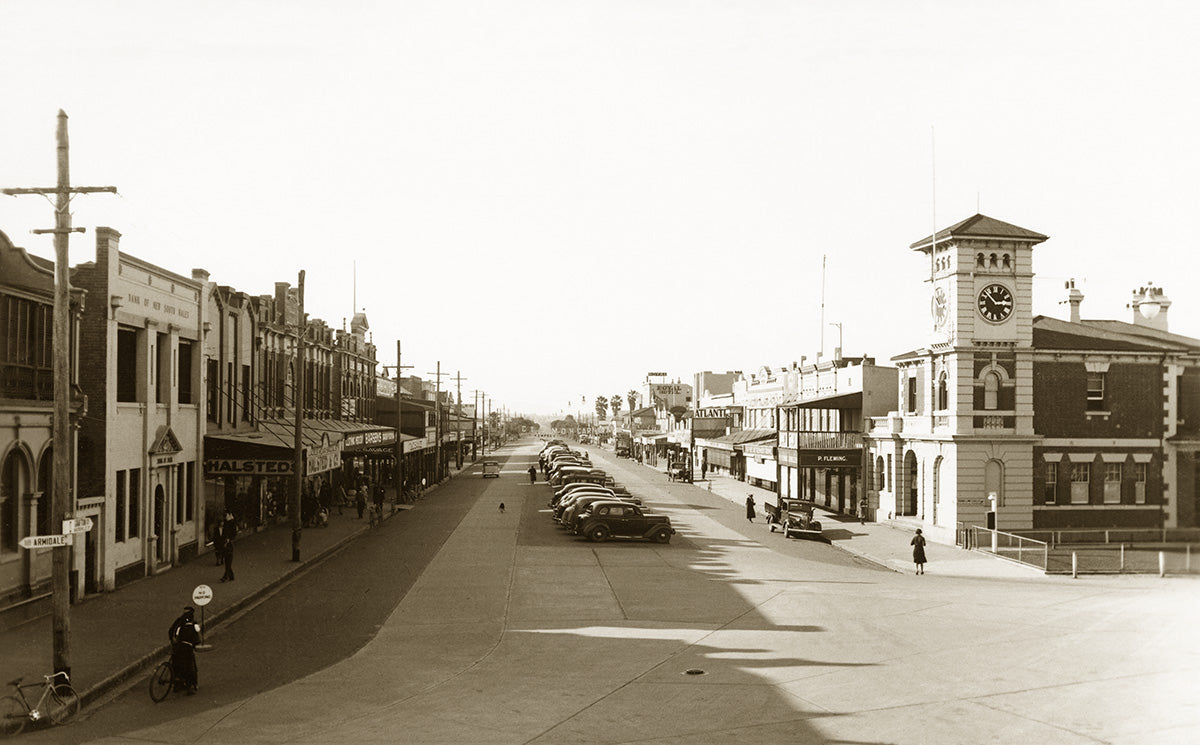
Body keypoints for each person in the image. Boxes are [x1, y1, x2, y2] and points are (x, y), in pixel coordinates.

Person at [168, 606, 201, 694]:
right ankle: (189, 686)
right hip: (187, 647)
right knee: (189, 665)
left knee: (176, 663)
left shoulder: (179, 621)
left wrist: (173, 640)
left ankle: (177, 683)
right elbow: (197, 635)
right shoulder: (193, 623)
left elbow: (171, 631)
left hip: (177, 646)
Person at [220, 510, 236, 582]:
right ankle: (231, 575)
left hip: (229, 544)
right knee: (227, 560)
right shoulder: (226, 523)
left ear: (230, 515)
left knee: (228, 560)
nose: (225, 517)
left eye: (226, 515)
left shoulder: (232, 523)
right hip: (225, 544)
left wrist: (229, 539)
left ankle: (225, 576)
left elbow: (233, 534)